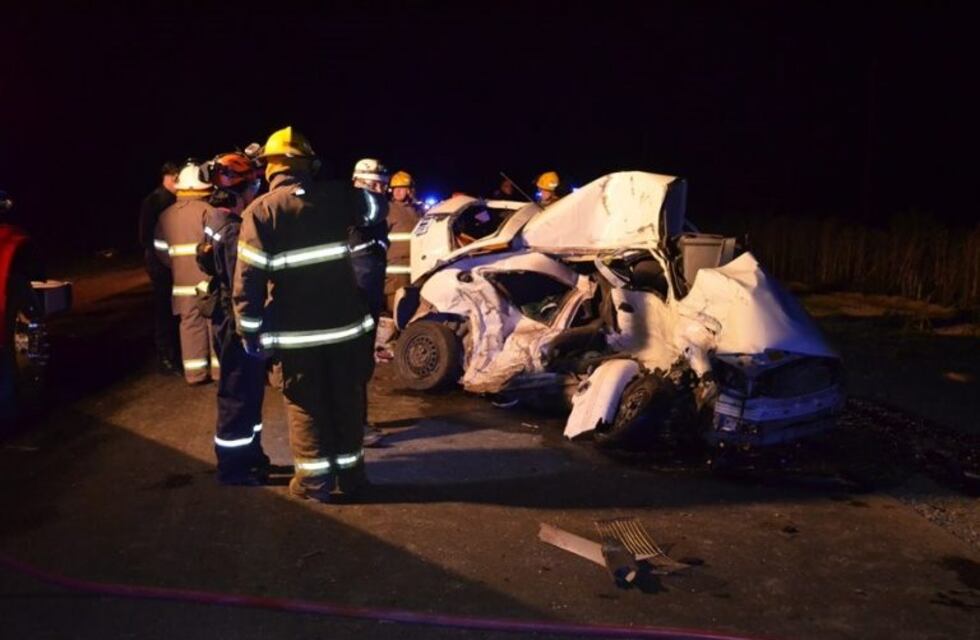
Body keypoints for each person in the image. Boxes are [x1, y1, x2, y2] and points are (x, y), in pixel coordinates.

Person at [234, 127, 379, 503]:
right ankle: (352, 480)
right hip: (346, 329)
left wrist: (250, 334)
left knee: (306, 405)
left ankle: (315, 484)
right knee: (347, 402)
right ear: (308, 163)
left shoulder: (261, 212)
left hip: (297, 335)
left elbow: (247, 282)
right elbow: (377, 209)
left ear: (270, 168)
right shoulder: (337, 197)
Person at [197, 152, 268, 485]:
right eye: (253, 184)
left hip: (225, 317)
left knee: (249, 391)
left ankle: (251, 454)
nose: (257, 190)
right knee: (238, 393)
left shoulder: (214, 218)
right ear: (241, 188)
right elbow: (241, 283)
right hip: (233, 321)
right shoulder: (232, 230)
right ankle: (233, 467)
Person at [154, 161, 218, 385]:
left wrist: (177, 266)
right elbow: (218, 247)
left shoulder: (165, 216)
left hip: (180, 283)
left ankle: (195, 374)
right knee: (214, 323)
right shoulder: (209, 212)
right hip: (207, 281)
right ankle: (219, 372)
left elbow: (160, 250)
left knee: (189, 325)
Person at [349, 158, 391, 447]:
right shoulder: (361, 208)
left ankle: (355, 422)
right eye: (372, 183)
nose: (378, 189)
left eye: (381, 184)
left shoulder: (366, 208)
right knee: (354, 365)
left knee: (359, 365)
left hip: (366, 296)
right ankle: (354, 427)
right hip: (356, 299)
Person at [139, 162, 180, 374]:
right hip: (160, 265)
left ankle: (172, 354)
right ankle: (166, 357)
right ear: (169, 177)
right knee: (165, 310)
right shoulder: (157, 201)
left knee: (173, 310)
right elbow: (146, 236)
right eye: (177, 178)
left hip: (169, 263)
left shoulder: (168, 199)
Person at [384, 170, 421, 312]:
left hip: (415, 269)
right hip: (395, 271)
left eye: (402, 188)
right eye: (395, 189)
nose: (397, 192)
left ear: (410, 190)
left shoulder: (418, 211)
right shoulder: (388, 209)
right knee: (395, 311)